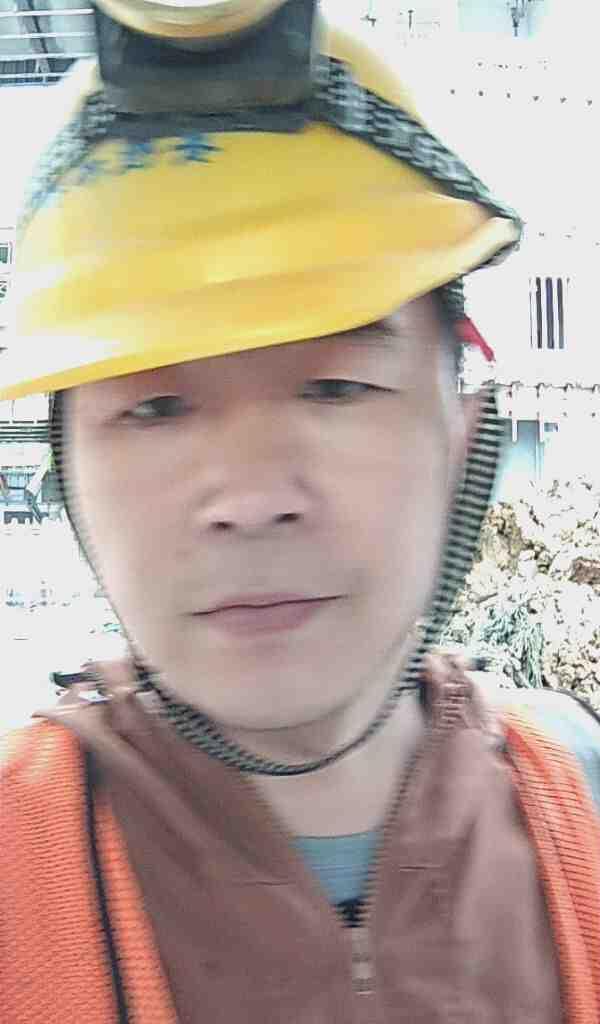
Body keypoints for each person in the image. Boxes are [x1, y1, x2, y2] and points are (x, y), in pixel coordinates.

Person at [1, 4, 600, 1021]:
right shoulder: (21, 859)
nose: (251, 499)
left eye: (335, 387)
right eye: (155, 406)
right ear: (71, 468)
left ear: (464, 432)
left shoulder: (577, 805)